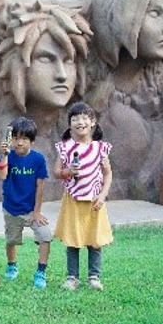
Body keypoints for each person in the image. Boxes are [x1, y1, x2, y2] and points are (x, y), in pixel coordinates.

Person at [54, 102, 113, 291]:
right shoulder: (65, 148)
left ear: (92, 122)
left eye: (84, 118)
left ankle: (94, 277)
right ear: (70, 124)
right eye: (75, 119)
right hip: (73, 200)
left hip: (94, 201)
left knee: (94, 240)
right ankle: (72, 278)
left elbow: (108, 174)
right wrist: (68, 171)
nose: (80, 122)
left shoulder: (100, 148)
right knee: (73, 240)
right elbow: (56, 172)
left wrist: (103, 195)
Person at [0, 117, 52, 289]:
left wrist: (37, 211)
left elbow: (40, 187)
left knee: (45, 236)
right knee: (11, 240)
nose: (19, 143)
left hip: (31, 210)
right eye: (16, 138)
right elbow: (2, 176)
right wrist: (4, 155)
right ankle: (12, 265)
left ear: (32, 140)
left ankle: (40, 272)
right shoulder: (8, 156)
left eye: (24, 139)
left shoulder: (38, 159)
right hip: (11, 208)